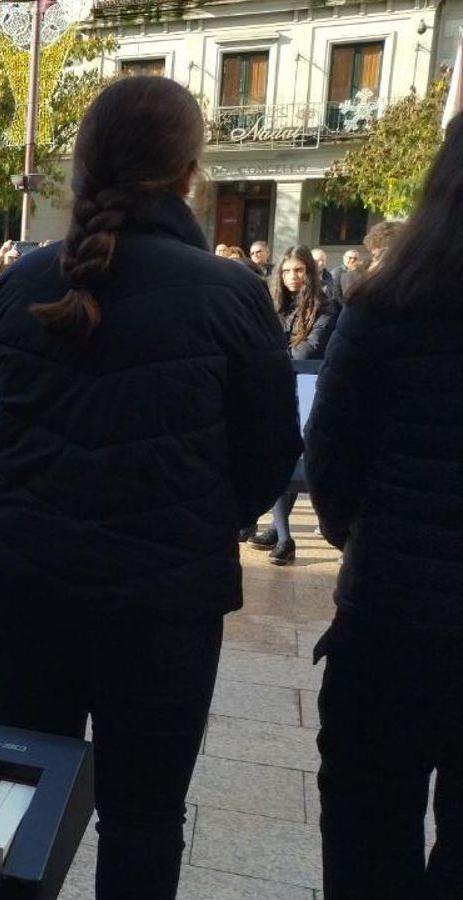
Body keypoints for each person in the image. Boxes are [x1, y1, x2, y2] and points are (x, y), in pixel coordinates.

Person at [0, 77, 300, 900]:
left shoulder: (17, 287)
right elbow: (270, 455)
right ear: (188, 174)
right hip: (163, 610)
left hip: (29, 588)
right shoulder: (230, 297)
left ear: (82, 168)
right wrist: (194, 524)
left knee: (19, 799)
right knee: (144, 819)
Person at [306, 117, 463, 900]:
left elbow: (328, 465)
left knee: (369, 846)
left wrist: (366, 538)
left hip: (390, 623)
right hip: (395, 613)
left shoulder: (382, 312)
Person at [242, 246, 337, 567]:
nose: (292, 278)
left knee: (291, 456)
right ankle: (281, 533)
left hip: (308, 389)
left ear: (309, 271)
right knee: (278, 453)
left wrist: (272, 353)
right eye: (286, 271)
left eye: (298, 270)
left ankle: (281, 536)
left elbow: (306, 353)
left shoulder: (325, 306)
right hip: (273, 389)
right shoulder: (272, 304)